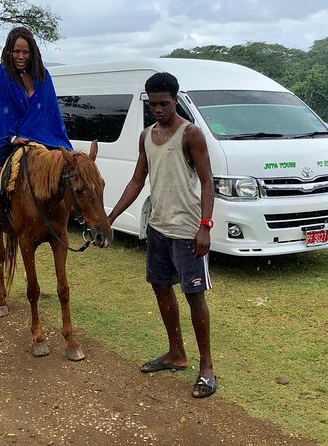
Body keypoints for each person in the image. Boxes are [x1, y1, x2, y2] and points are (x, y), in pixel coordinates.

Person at [107, 72, 217, 398]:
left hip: (187, 231)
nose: (157, 109)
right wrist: (110, 216)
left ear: (175, 99)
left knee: (195, 296)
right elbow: (136, 181)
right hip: (157, 228)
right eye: (152, 103)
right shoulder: (146, 136)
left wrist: (205, 226)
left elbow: (208, 182)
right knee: (160, 289)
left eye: (164, 103)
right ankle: (176, 353)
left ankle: (207, 367)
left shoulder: (191, 134)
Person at [0, 27, 73, 242]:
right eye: (16, 51)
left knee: (72, 167)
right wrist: (11, 137)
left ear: (33, 53)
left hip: (41, 136)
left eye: (25, 52)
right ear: (8, 51)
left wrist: (38, 136)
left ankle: (78, 216)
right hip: (3, 138)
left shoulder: (42, 76)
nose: (21, 56)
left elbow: (49, 111)